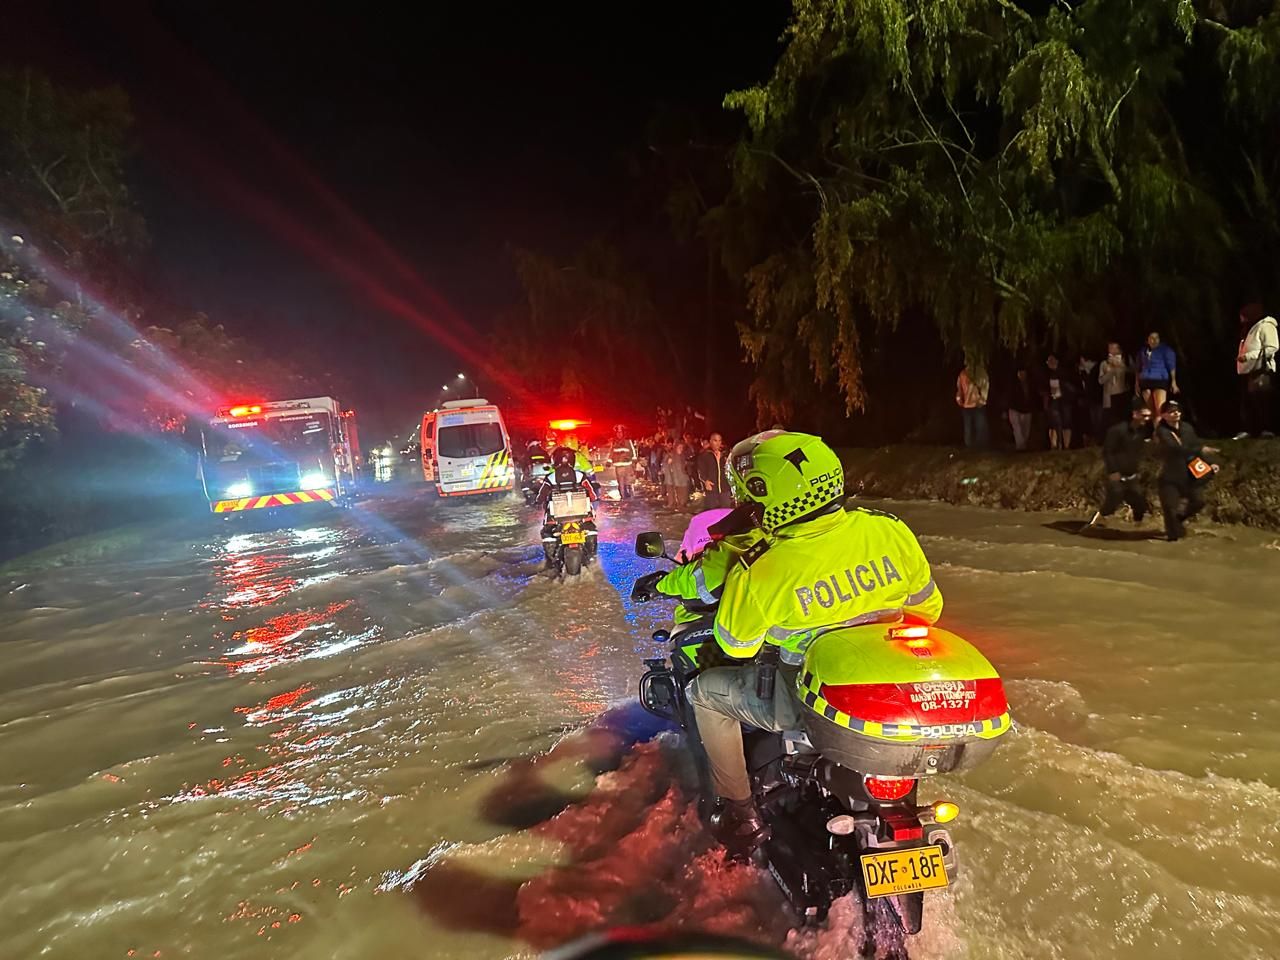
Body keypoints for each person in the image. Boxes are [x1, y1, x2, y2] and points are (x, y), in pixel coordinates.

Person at [685, 431, 942, 855]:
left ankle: (740, 811)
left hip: (805, 704)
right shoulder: (890, 530)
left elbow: (737, 646)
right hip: (889, 696)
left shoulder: (763, 567)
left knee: (704, 694)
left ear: (762, 496)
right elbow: (928, 609)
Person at [1154, 400, 1219, 542]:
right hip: (1170, 477)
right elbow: (1174, 449)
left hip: (1190, 474)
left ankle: (1178, 521)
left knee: (1199, 501)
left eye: (1177, 410)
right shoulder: (1161, 431)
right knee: (1170, 509)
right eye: (1171, 411)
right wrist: (1199, 449)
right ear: (1164, 415)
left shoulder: (1187, 428)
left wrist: (1209, 463)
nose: (1176, 413)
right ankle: (1173, 537)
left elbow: (1196, 447)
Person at [1089, 397, 1150, 527]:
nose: (1147, 418)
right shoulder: (1117, 430)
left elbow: (1137, 452)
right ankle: (1097, 521)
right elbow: (1108, 452)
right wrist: (1113, 471)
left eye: (1148, 416)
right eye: (1144, 415)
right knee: (1114, 498)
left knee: (1140, 502)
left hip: (1131, 475)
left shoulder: (1141, 432)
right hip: (1116, 474)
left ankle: (1137, 527)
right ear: (1135, 414)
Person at [1233, 303, 1278, 439]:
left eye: (1243, 316)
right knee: (1248, 402)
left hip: (1260, 370)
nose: (1241, 319)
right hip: (1247, 370)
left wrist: (1248, 357)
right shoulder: (1248, 329)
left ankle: (1266, 429)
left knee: (1261, 400)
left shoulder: (1265, 326)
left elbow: (1271, 347)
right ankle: (1248, 430)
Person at [1138, 331, 1179, 423]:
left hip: (1160, 380)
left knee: (1159, 409)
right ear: (1148, 339)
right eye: (1152, 338)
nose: (1154, 340)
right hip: (1145, 380)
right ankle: (1154, 432)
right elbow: (1139, 367)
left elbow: (1172, 366)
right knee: (1151, 410)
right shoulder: (1143, 351)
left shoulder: (1166, 350)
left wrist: (1174, 382)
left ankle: (1159, 434)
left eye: (1157, 337)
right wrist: (1137, 383)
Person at [1041, 354, 1075, 449]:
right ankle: (1055, 444)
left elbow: (1071, 386)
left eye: (1052, 360)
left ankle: (1066, 445)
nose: (1049, 363)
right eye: (1048, 361)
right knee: (1054, 423)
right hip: (1053, 400)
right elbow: (1043, 387)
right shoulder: (1046, 374)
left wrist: (1062, 387)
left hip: (1064, 400)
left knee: (1066, 422)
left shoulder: (1064, 372)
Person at [1098, 342, 1131, 431]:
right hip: (1109, 395)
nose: (1111, 350)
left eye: (1113, 348)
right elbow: (1100, 381)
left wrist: (1120, 366)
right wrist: (1111, 371)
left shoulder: (1125, 361)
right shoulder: (1104, 364)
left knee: (1121, 418)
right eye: (1109, 348)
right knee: (1110, 420)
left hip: (1122, 394)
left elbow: (1132, 372)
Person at [954, 364, 989, 449]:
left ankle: (978, 446)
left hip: (976, 404)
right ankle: (971, 446)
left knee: (977, 426)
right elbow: (959, 388)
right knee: (970, 427)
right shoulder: (963, 373)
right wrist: (959, 399)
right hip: (969, 405)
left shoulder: (979, 372)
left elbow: (985, 386)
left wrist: (982, 399)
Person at [696, 432, 733, 509]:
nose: (718, 443)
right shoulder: (704, 455)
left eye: (719, 440)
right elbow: (701, 471)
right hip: (712, 488)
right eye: (715, 440)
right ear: (710, 441)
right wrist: (705, 481)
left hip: (725, 488)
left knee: (726, 511)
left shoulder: (725, 454)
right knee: (713, 512)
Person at [1008, 368, 1035, 450]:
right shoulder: (1013, 385)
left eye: (1024, 373)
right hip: (1015, 409)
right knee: (1017, 429)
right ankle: (1020, 446)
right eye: (1020, 373)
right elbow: (1009, 397)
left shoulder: (1030, 384)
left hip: (1027, 409)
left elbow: (1033, 397)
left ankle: (1023, 444)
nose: (1022, 375)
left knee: (1025, 430)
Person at [608, 424, 638, 499]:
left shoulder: (628, 441)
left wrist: (634, 460)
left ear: (623, 433)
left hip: (628, 465)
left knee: (629, 482)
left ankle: (631, 496)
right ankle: (623, 497)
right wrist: (609, 461)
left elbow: (632, 451)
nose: (619, 434)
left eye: (620, 432)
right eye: (618, 433)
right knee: (620, 483)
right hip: (618, 466)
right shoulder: (614, 442)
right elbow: (612, 452)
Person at [662, 440, 691, 509]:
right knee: (671, 491)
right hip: (672, 478)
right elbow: (664, 464)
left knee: (683, 491)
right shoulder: (670, 455)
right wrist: (668, 462)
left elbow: (685, 466)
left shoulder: (682, 456)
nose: (681, 449)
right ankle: (672, 504)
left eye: (682, 447)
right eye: (679, 447)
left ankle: (682, 504)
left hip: (681, 477)